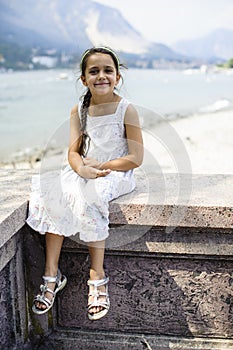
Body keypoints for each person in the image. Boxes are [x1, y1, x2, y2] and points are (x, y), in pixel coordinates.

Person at [26, 46, 143, 321]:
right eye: (94, 71)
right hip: (85, 167)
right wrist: (80, 168)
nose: (101, 76)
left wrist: (98, 167)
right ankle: (52, 274)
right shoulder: (79, 110)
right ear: (84, 79)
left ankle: (97, 275)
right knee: (51, 194)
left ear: (117, 77)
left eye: (107, 71)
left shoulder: (127, 109)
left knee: (91, 197)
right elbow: (73, 152)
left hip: (115, 171)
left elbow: (135, 158)